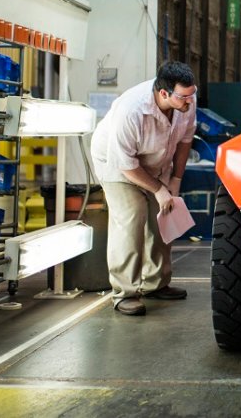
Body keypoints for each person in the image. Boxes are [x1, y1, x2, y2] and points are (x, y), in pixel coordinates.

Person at [91, 60, 198, 316]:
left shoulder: (185, 102)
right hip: (117, 165)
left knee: (162, 217)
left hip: (156, 164)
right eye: (184, 97)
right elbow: (126, 165)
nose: (190, 102)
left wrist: (174, 181)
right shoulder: (131, 110)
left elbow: (185, 140)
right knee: (132, 218)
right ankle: (125, 293)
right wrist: (158, 189)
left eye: (192, 94)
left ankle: (156, 284)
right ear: (164, 93)